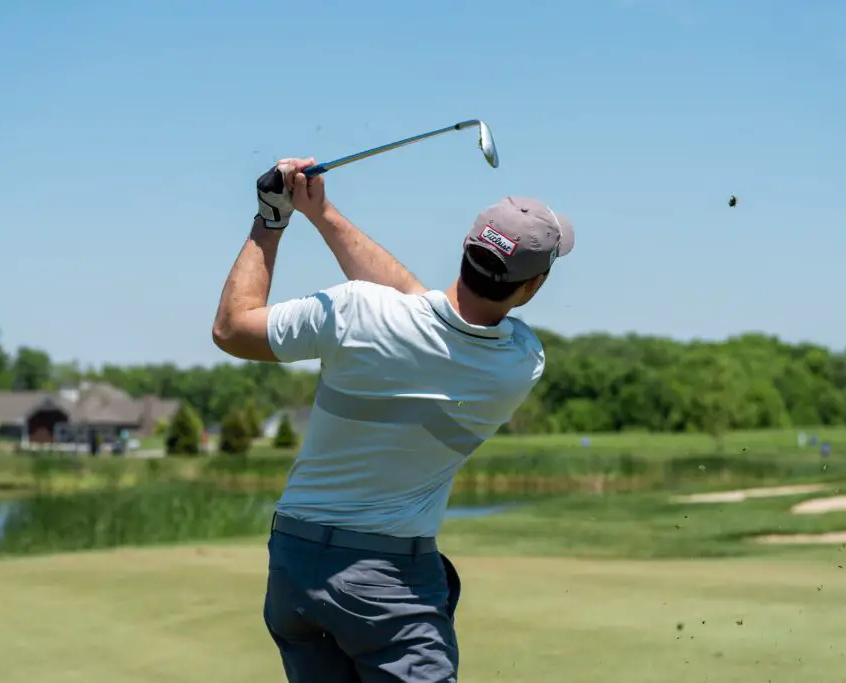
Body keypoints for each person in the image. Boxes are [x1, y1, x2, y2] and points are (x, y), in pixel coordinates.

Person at [211, 157, 575, 683]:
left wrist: (274, 218)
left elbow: (231, 329)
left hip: (293, 566)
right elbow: (420, 308)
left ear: (465, 250)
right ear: (532, 287)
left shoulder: (356, 311)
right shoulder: (519, 362)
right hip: (386, 585)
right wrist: (323, 214)